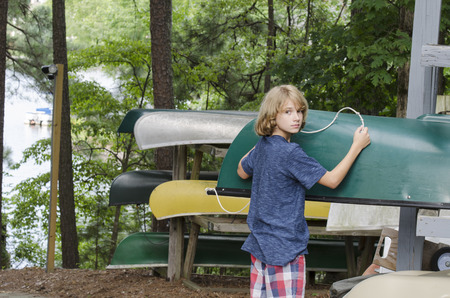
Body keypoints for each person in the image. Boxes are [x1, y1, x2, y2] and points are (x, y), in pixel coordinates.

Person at [237, 85, 371, 297]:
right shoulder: (291, 153)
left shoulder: (263, 146)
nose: (297, 117)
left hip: (260, 245)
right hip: (285, 248)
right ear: (272, 115)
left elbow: (241, 170)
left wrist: (264, 137)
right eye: (288, 112)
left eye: (299, 111)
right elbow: (333, 180)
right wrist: (357, 145)